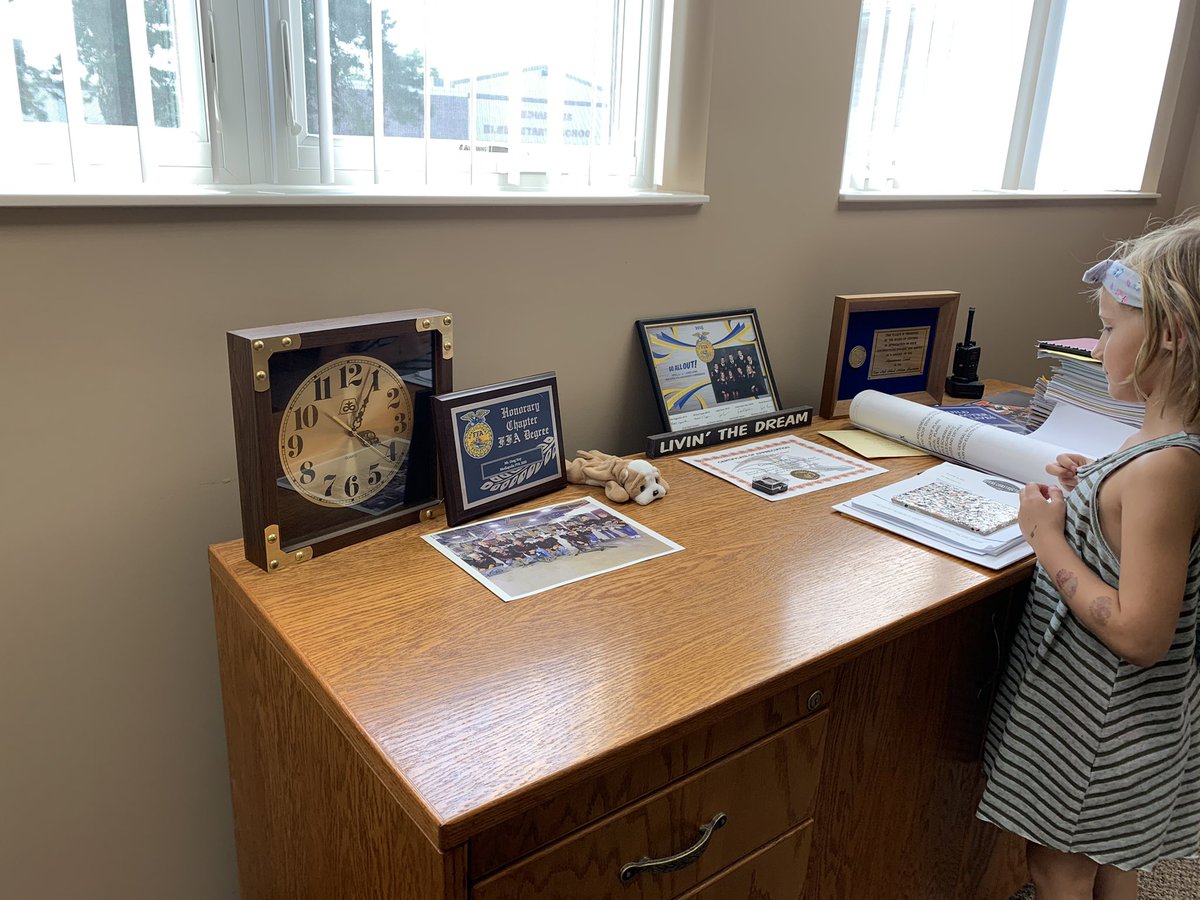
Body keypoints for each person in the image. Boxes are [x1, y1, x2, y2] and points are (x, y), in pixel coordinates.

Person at [977, 214, 1200, 900]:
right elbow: (1140, 532)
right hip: (1128, 727)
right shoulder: (1160, 449)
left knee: (1059, 871)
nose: (1096, 347)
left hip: (1101, 726)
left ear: (1167, 335)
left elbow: (1140, 633)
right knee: (1112, 866)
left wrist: (1046, 537)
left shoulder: (1168, 468)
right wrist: (1095, 487)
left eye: (1107, 329)